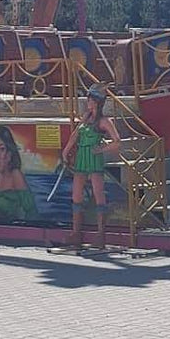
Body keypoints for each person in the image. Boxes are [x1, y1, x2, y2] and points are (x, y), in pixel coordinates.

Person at [61, 83, 120, 249]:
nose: (89, 102)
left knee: (98, 195)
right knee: (76, 195)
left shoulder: (104, 121)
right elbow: (75, 135)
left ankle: (101, 235)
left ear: (98, 102)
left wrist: (102, 148)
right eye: (88, 99)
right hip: (81, 156)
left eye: (91, 99)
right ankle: (76, 233)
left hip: (93, 158)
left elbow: (117, 141)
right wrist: (66, 151)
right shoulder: (86, 118)